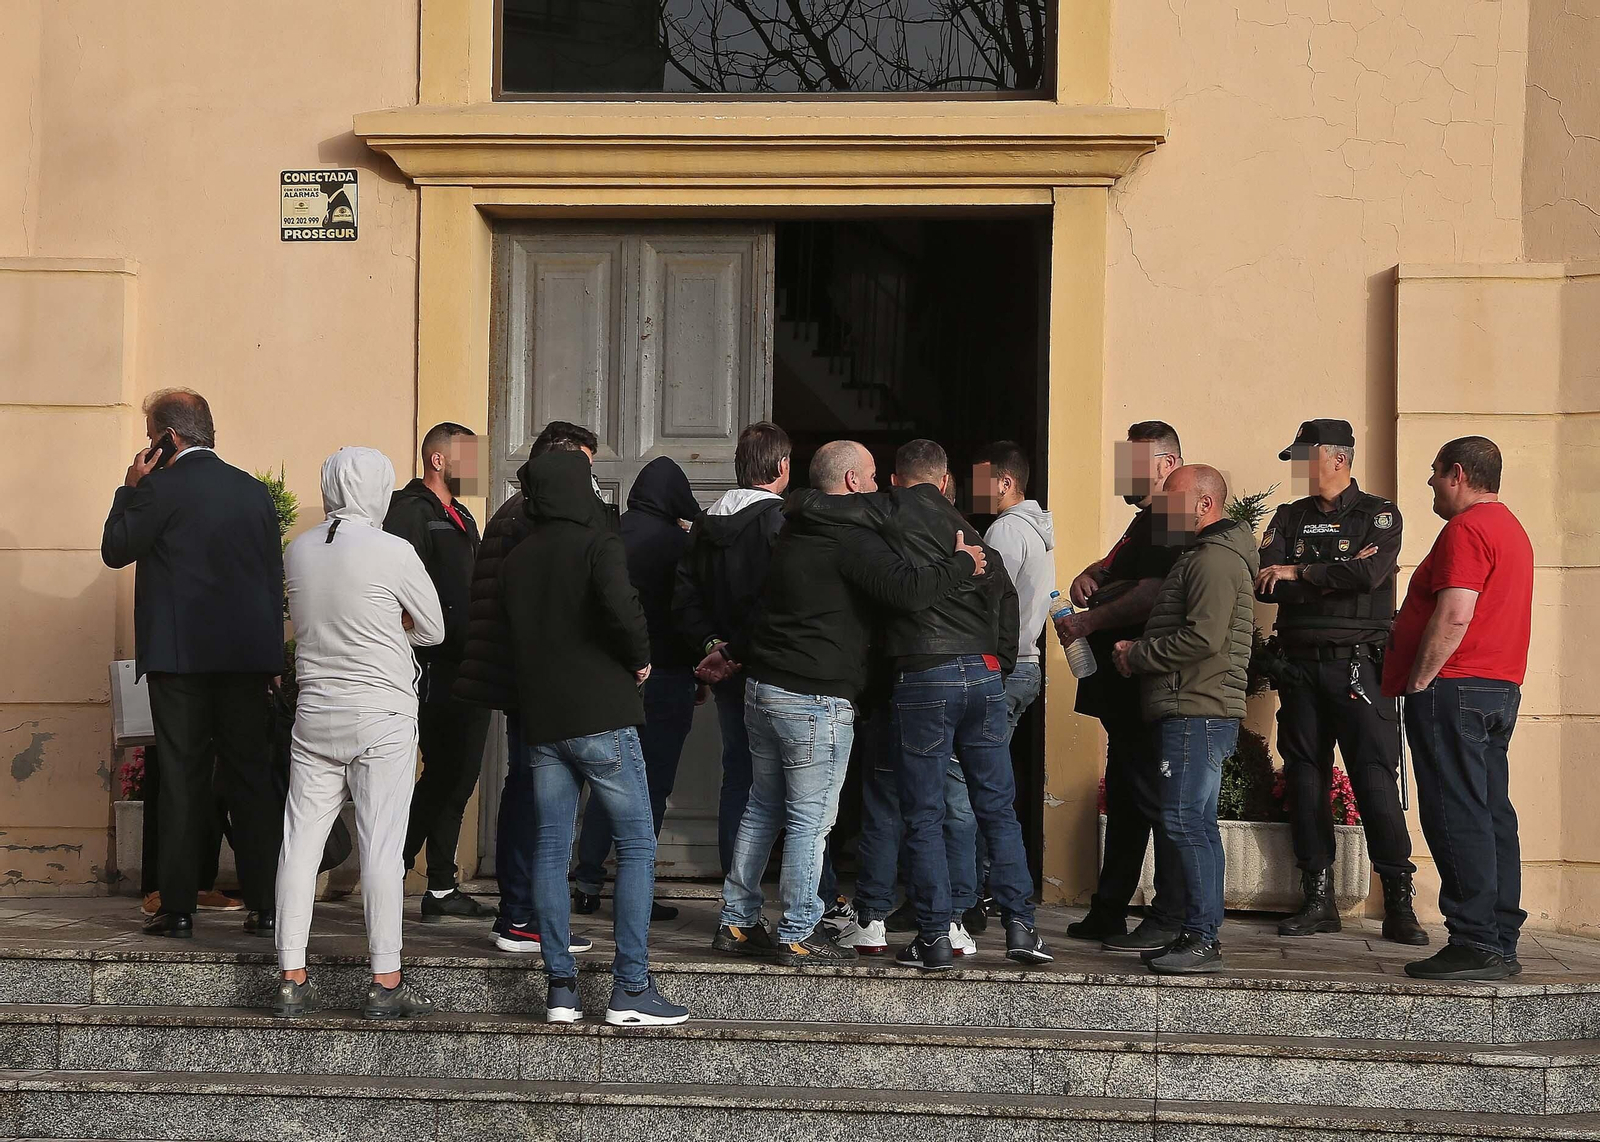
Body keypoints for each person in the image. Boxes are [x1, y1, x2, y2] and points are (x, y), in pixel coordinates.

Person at [711, 440, 986, 964]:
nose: (881, 486)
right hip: (814, 698)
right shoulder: (849, 537)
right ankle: (798, 930)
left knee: (762, 809)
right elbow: (906, 590)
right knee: (810, 820)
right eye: (874, 475)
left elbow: (767, 609)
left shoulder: (792, 527)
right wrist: (959, 563)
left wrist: (733, 653)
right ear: (854, 481)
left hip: (764, 689)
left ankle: (737, 921)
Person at [500, 448, 689, 1026]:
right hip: (602, 713)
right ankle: (630, 987)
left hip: (544, 719)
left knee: (551, 847)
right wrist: (640, 659)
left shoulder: (518, 555)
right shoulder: (597, 543)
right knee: (636, 845)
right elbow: (623, 609)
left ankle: (561, 988)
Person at [851, 439, 1049, 972]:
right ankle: (1022, 927)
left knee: (924, 813)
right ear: (944, 482)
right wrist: (999, 664)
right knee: (996, 807)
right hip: (982, 674)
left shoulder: (885, 517)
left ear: (895, 481)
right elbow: (1006, 597)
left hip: (924, 675)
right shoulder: (971, 530)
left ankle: (935, 935)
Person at [101, 389, 285, 939]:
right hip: (246, 661)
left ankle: (178, 909)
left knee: (182, 779)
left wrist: (129, 489)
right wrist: (271, 656)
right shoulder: (253, 491)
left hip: (180, 662)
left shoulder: (158, 488)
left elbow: (116, 548)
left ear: (168, 437)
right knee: (250, 779)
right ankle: (268, 906)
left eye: (149, 435)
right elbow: (271, 577)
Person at [272, 447, 445, 1019]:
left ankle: (291, 975)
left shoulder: (298, 550)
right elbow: (434, 629)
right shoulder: (394, 550)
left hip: (315, 714)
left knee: (300, 844)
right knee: (382, 848)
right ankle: (385, 979)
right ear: (380, 490)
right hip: (381, 716)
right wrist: (390, 622)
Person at [1255, 420, 1424, 945]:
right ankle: (1318, 899)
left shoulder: (1379, 515)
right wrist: (1337, 570)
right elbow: (1265, 583)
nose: (1299, 468)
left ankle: (1399, 902)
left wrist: (1301, 572)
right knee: (1305, 780)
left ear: (1337, 458)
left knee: (1374, 780)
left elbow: (1369, 577)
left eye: (1305, 457)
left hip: (1359, 668)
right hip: (1300, 667)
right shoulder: (1289, 517)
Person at [1383, 437, 1533, 982]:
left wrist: (1421, 679)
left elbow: (1454, 613)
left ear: (1458, 474)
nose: (1429, 481)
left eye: (1435, 471)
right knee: (1491, 812)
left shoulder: (1466, 529)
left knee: (1455, 811)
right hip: (1498, 688)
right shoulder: (1511, 528)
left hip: (1456, 686)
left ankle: (1474, 940)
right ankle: (1499, 938)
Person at [453, 421, 598, 956]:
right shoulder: (535, 516)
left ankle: (520, 912)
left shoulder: (512, 511)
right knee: (538, 795)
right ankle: (521, 914)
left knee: (528, 788)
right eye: (583, 465)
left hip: (517, 674)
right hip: (535, 677)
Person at [1112, 464, 1257, 974]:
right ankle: (1196, 933)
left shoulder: (1214, 559)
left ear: (1204, 504)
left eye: (1173, 500)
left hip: (1196, 707)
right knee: (1192, 822)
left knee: (1184, 821)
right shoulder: (1204, 554)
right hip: (1195, 705)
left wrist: (1138, 654)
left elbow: (1203, 638)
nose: (1162, 511)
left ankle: (1200, 937)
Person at [1056, 421, 1188, 952]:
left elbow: (1154, 591)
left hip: (1144, 683)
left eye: (1132, 462)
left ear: (1166, 464)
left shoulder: (1171, 515)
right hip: (1122, 689)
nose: (1121, 473)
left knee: (1153, 799)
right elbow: (1124, 573)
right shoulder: (1146, 522)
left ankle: (1168, 915)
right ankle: (1109, 909)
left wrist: (1089, 620)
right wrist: (1093, 574)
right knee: (1129, 799)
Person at [574, 457, 703, 922]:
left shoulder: (610, 534)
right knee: (653, 785)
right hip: (667, 675)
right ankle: (637, 890)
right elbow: (688, 610)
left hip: (611, 677)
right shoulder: (681, 543)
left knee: (606, 778)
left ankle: (587, 881)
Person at [383, 422, 495, 921]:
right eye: (469, 457)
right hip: (432, 668)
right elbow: (396, 584)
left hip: (472, 664)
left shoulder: (462, 515)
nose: (477, 469)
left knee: (460, 775)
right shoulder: (410, 512)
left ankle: (442, 886)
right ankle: (396, 864)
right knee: (443, 773)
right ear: (438, 460)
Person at [674, 422, 791, 875]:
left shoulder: (704, 524)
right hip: (772, 668)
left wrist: (712, 646)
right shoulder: (781, 522)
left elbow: (685, 597)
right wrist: (732, 651)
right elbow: (781, 600)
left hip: (723, 668)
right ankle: (805, 889)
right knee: (794, 782)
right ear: (782, 466)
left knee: (739, 773)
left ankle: (735, 881)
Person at [965, 440, 1056, 926]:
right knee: (994, 784)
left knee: (979, 788)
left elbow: (982, 599)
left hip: (1002, 668)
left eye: (982, 479)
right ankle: (993, 888)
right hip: (1027, 666)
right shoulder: (1037, 529)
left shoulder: (1003, 530)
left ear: (1005, 482)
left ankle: (979, 891)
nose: (974, 488)